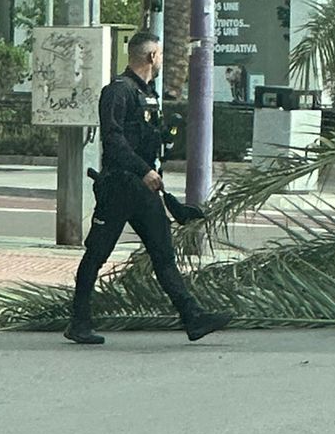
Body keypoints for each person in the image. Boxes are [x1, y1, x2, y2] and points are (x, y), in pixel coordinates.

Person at [65, 31, 231, 347]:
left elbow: (145, 137)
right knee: (97, 254)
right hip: (119, 187)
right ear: (151, 56)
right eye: (160, 54)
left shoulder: (147, 94)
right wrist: (144, 171)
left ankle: (192, 317)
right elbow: (113, 142)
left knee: (163, 255)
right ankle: (79, 321)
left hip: (144, 190)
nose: (162, 60)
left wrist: (164, 140)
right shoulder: (118, 92)